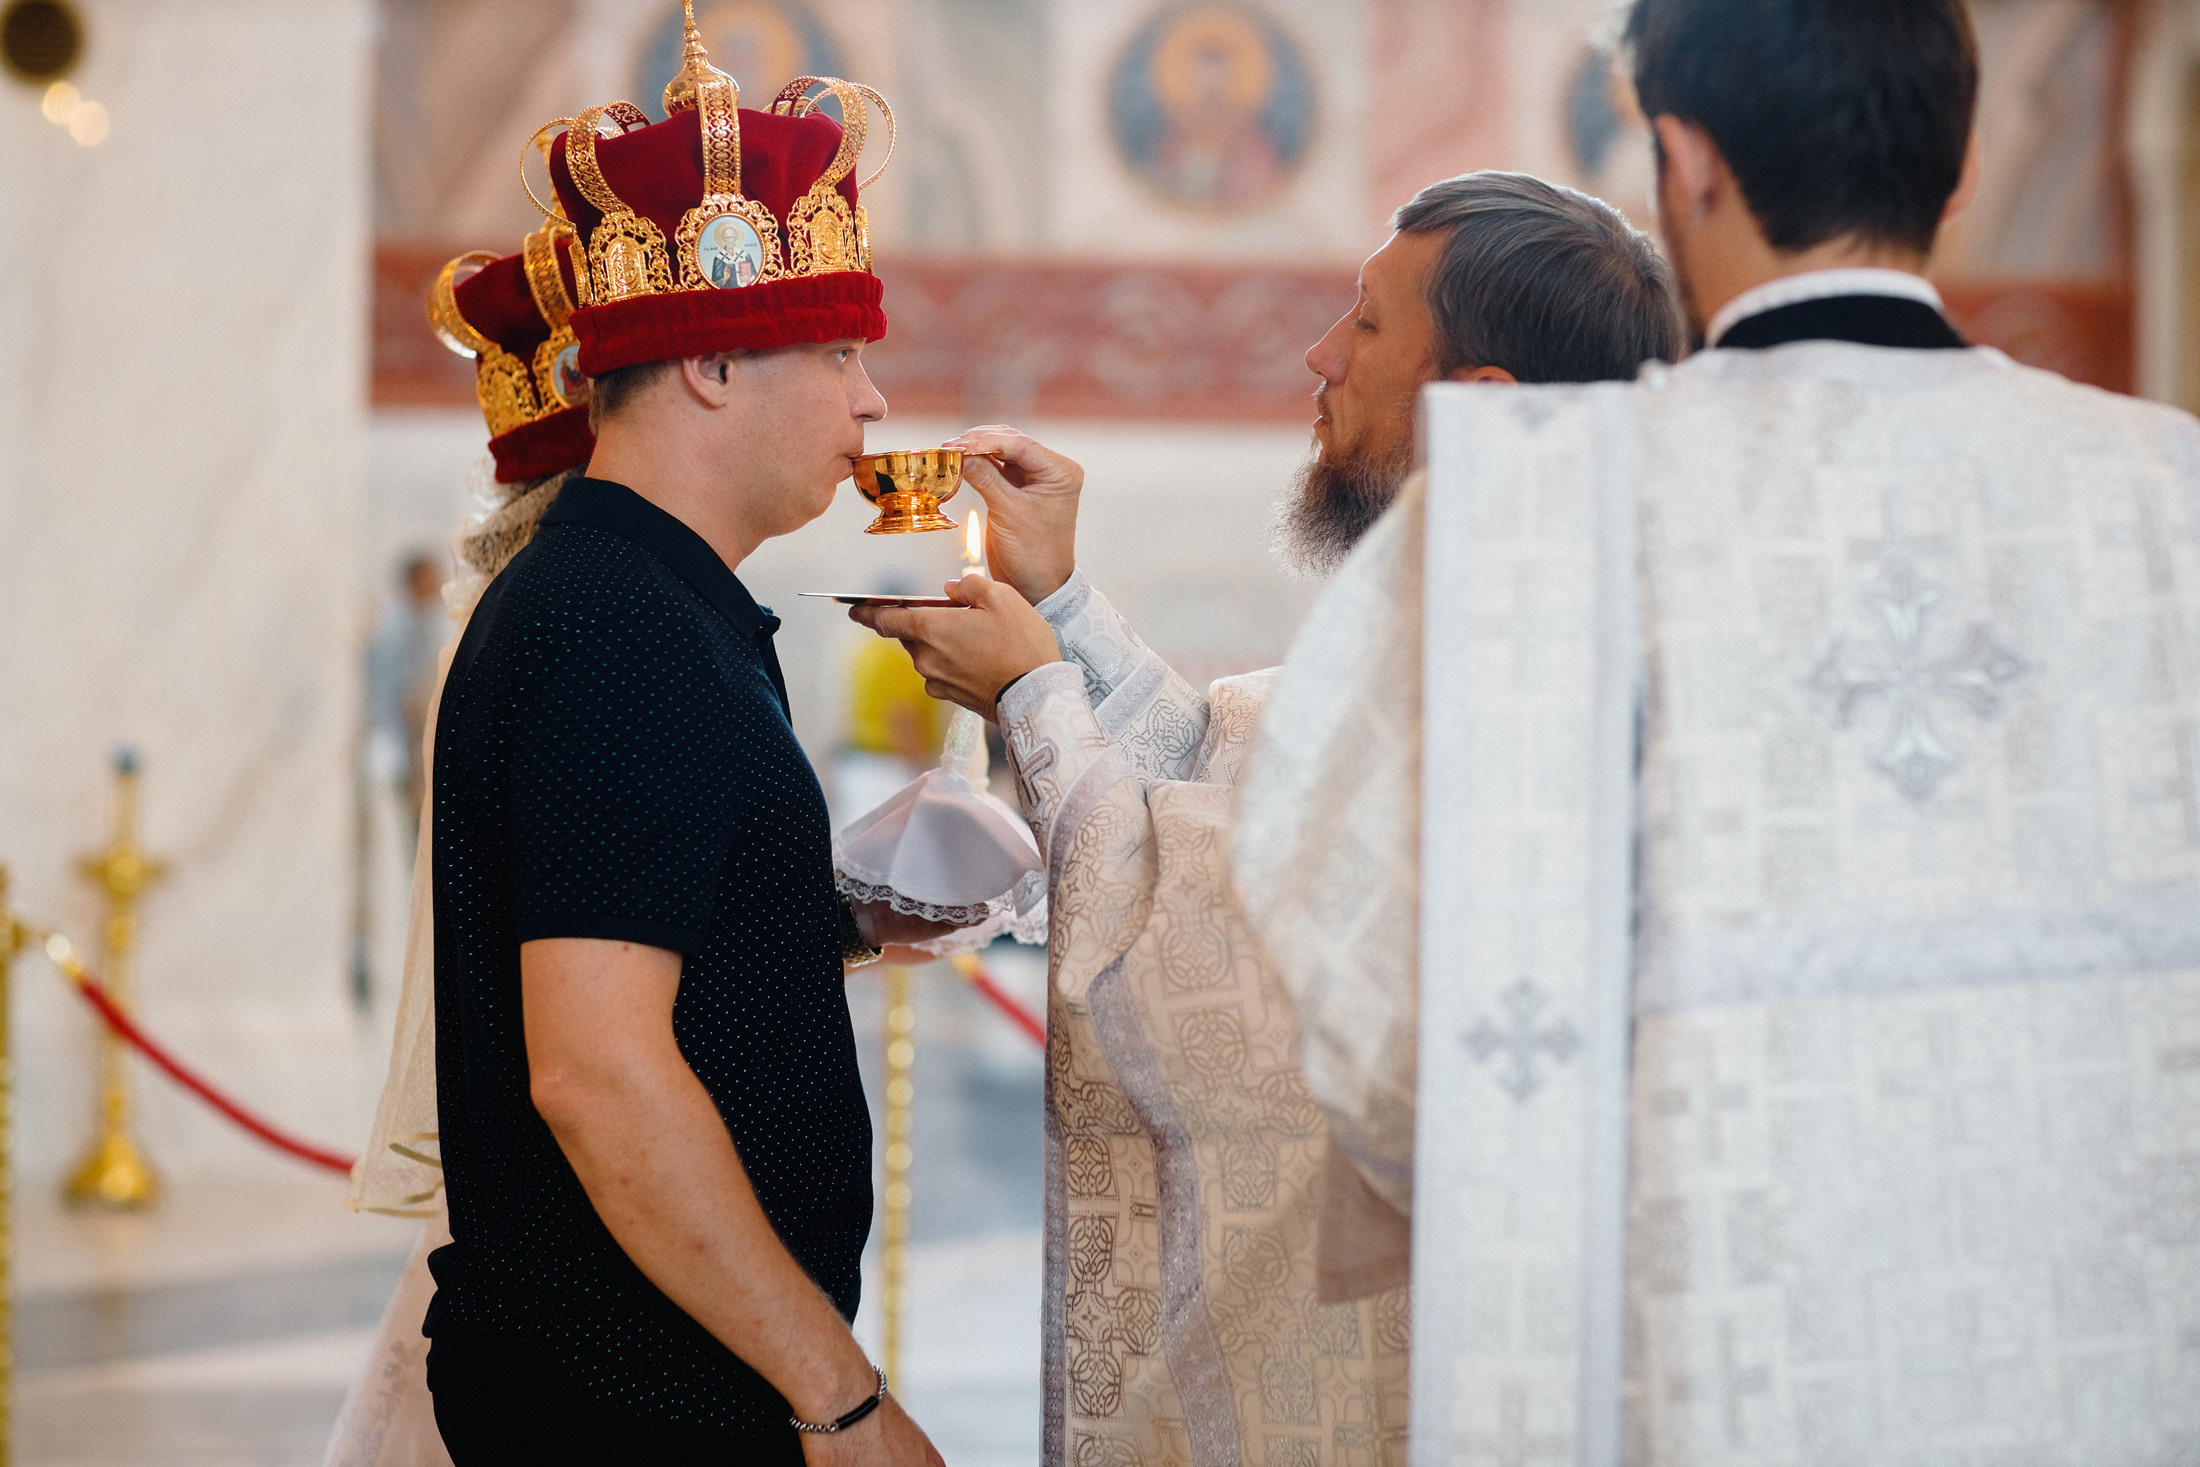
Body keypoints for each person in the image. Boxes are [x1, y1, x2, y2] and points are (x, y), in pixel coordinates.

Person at [1233, 2, 2200, 1462]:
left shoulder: (1543, 510)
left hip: (1700, 1365)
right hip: (2113, 1376)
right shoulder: (2169, 496)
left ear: (1683, 159)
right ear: (1962, 169)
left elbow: (1357, 969)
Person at [854, 172, 1683, 1467]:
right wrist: (1059, 607)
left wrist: (1031, 692)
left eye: (1364, 326)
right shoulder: (1461, 618)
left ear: (1477, 409)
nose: (1319, 356)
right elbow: (1220, 771)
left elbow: (1208, 967)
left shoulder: (1533, 674)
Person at [401, 29, 951, 1467]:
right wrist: (841, 1397)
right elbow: (596, 1072)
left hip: (660, 1380)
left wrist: (817, 922)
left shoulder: (650, 600)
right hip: (641, 1403)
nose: (872, 401)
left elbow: (637, 935)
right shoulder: (615, 625)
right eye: (837, 352)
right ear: (710, 359)